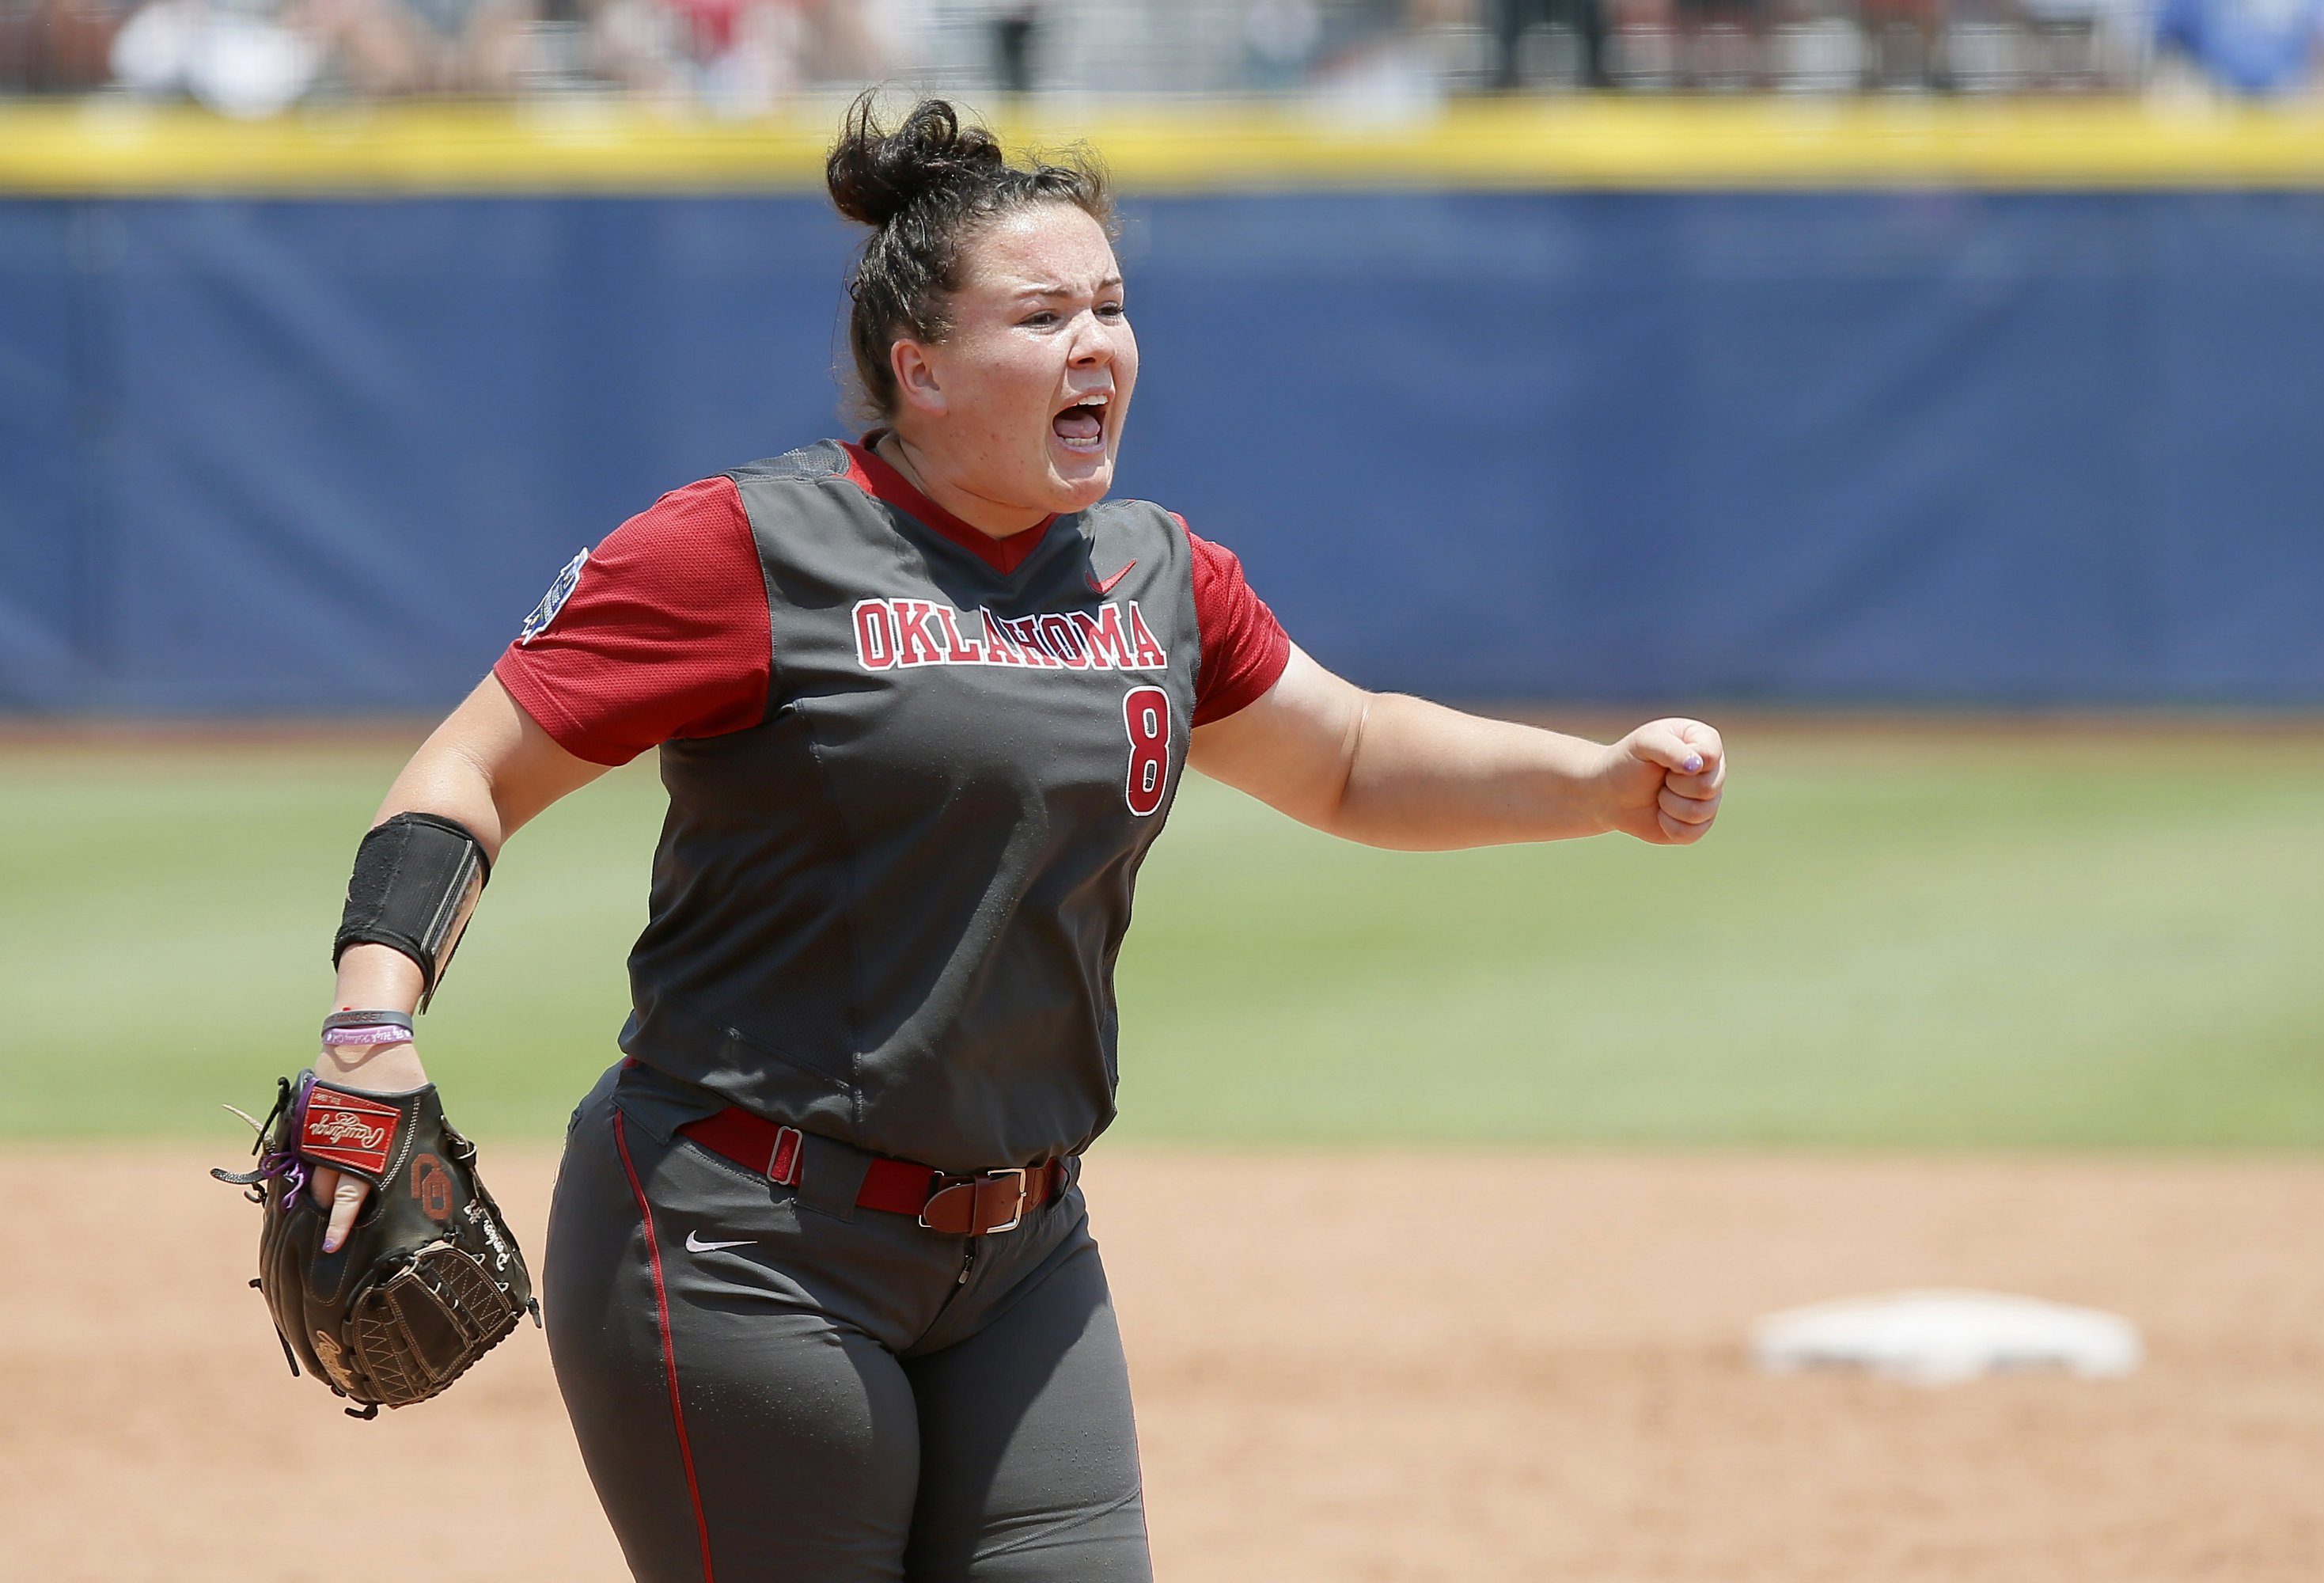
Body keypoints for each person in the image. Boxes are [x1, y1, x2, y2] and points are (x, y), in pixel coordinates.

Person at [303, 91, 1726, 1583]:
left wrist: (1596, 783)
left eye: (1111, 305)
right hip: (744, 1243)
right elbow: (464, 774)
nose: (1096, 342)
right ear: (917, 369)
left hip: (1024, 1256)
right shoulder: (750, 549)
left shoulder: (1151, 571)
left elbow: (1354, 759)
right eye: (1043, 315)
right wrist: (367, 1022)